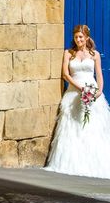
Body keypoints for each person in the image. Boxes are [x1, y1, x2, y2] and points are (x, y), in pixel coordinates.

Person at [45, 24, 110, 178]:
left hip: (92, 92)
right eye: (76, 37)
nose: (78, 39)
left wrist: (99, 91)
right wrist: (80, 88)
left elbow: (99, 75)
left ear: (86, 38)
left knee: (92, 128)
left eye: (81, 37)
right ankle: (71, 163)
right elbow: (66, 75)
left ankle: (93, 163)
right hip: (74, 92)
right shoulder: (69, 53)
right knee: (72, 127)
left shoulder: (95, 54)